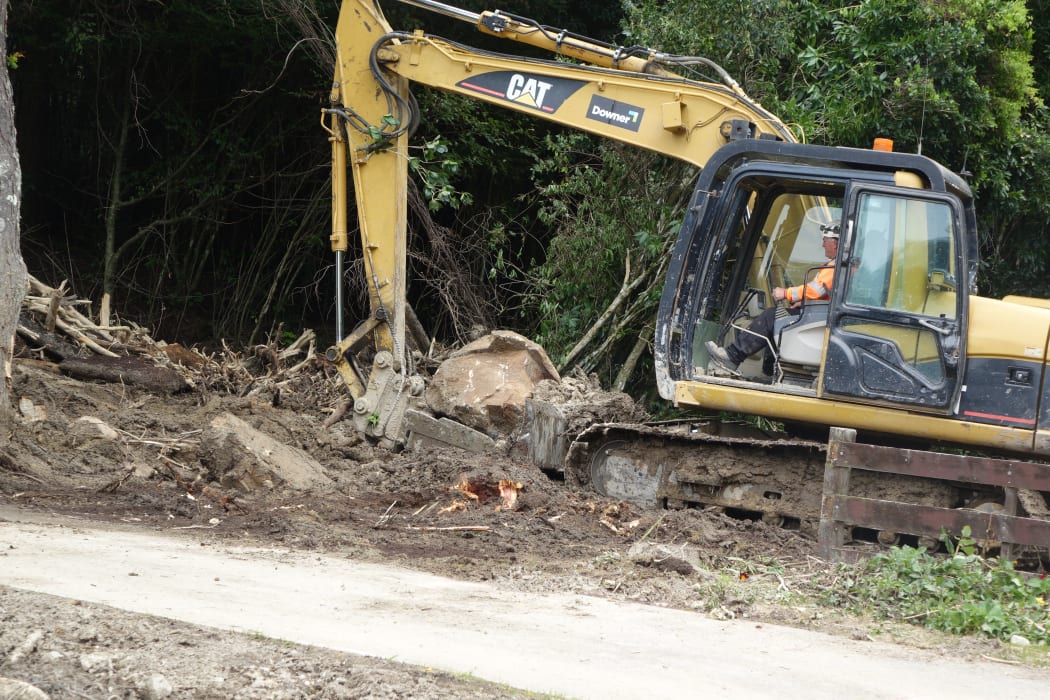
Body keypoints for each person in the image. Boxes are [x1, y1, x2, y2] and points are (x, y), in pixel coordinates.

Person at [706, 225, 839, 376]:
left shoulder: (836, 266)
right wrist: (804, 303)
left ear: (835, 243)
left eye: (825, 240)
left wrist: (786, 293)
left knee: (771, 317)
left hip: (819, 320)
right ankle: (770, 368)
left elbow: (815, 290)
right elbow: (827, 295)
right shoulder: (842, 266)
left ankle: (731, 356)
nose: (822, 244)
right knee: (776, 317)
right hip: (820, 316)